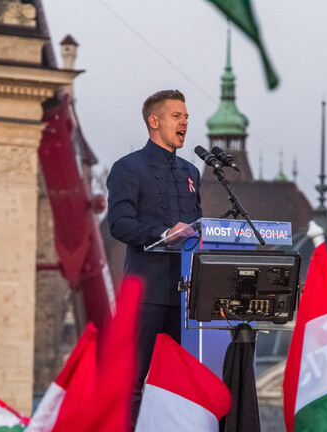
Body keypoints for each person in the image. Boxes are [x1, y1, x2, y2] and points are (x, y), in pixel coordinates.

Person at [107, 89, 202, 424]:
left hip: (187, 296)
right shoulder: (128, 168)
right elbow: (118, 224)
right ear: (154, 121)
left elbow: (198, 224)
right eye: (177, 116)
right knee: (133, 382)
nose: (185, 122)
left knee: (181, 384)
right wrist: (162, 234)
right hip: (146, 293)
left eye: (187, 117)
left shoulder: (192, 172)